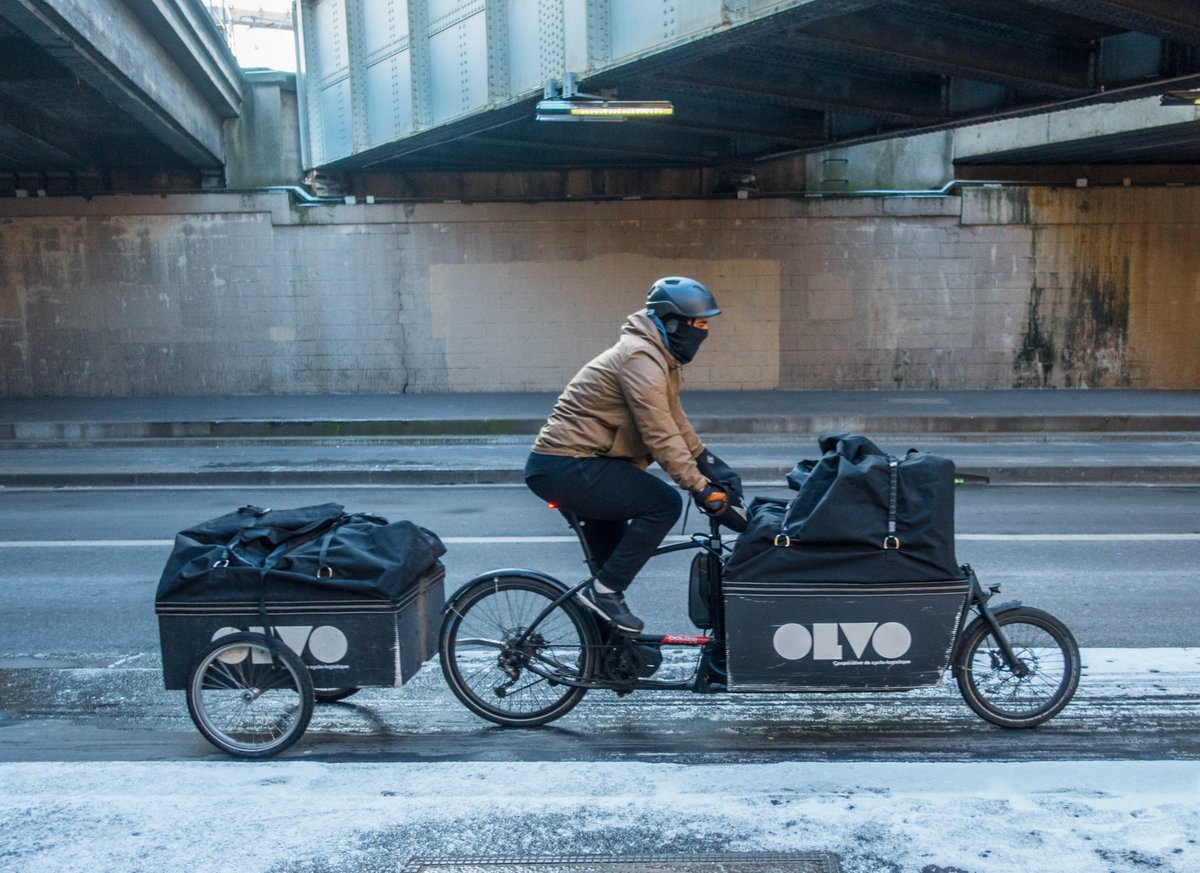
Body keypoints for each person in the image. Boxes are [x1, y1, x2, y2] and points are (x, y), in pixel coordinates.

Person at [524, 276, 746, 635]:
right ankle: (604, 593)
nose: (704, 333)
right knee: (663, 504)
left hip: (586, 464)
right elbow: (658, 431)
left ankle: (609, 654)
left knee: (610, 568)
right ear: (672, 323)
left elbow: (674, 419)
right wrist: (698, 487)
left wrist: (709, 463)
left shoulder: (658, 356)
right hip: (566, 465)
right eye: (700, 324)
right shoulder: (640, 357)